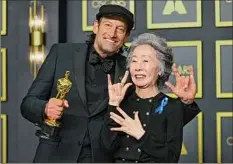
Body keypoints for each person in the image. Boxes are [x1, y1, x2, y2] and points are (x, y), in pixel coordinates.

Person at [20, 4, 200, 163]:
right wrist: (44, 108)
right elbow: (27, 103)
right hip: (56, 154)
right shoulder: (62, 53)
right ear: (96, 26)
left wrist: (186, 102)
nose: (112, 34)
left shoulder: (132, 68)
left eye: (120, 29)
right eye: (107, 25)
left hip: (103, 157)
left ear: (126, 36)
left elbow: (156, 117)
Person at [101, 33, 201, 163]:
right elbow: (107, 147)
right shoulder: (120, 100)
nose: (138, 67)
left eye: (145, 61)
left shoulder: (171, 106)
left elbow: (171, 158)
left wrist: (141, 135)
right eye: (134, 61)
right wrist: (113, 104)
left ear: (160, 69)